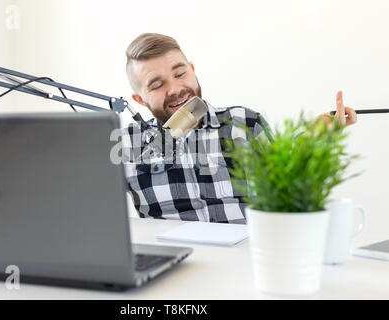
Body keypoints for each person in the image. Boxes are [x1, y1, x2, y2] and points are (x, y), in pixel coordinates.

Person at [122, 32, 357, 224]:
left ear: (192, 70)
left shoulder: (244, 122)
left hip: (247, 260)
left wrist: (312, 138)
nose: (175, 88)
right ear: (139, 99)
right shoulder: (127, 143)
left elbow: (285, 181)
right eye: (157, 85)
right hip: (176, 268)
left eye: (180, 73)